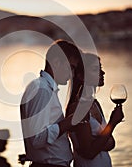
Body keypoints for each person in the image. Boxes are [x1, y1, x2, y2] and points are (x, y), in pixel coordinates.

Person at [20, 39, 83, 167]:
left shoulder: (45, 88)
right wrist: (70, 122)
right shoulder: (41, 90)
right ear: (56, 62)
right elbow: (37, 138)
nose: (72, 74)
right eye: (71, 67)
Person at [65, 53, 124, 167]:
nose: (102, 73)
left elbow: (111, 143)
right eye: (95, 69)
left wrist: (97, 142)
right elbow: (89, 153)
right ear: (81, 76)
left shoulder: (94, 104)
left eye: (100, 68)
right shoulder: (78, 108)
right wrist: (112, 123)